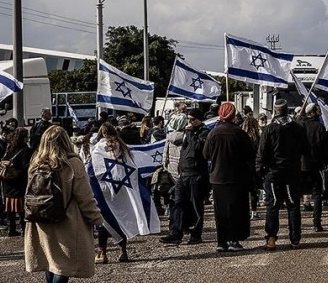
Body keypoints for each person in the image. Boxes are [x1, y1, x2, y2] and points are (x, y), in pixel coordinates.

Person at [25, 125, 105, 283]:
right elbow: (85, 197)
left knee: (50, 262)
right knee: (64, 265)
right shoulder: (72, 163)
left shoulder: (36, 163)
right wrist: (97, 219)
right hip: (66, 221)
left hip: (40, 219)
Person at [92, 123, 157, 263]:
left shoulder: (97, 149)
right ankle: (123, 251)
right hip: (124, 189)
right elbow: (133, 170)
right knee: (121, 218)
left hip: (107, 191)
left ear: (101, 133)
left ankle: (102, 253)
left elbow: (93, 172)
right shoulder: (123, 148)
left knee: (105, 220)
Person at [256, 99, 309, 250]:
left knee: (272, 206)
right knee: (293, 206)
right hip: (292, 172)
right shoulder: (297, 128)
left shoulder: (270, 129)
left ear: (275, 111)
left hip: (274, 173)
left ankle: (271, 238)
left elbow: (262, 152)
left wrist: (260, 170)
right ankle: (295, 239)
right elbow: (305, 149)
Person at [203, 102, 255, 252]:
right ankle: (234, 240)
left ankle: (221, 242)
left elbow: (205, 154)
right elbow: (250, 153)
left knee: (220, 212)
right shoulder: (239, 133)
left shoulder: (213, 133)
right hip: (236, 177)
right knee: (236, 210)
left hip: (218, 177)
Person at [159, 108, 210, 245]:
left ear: (199, 120)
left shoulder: (204, 133)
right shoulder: (187, 133)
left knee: (195, 205)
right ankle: (175, 232)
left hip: (196, 173)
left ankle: (195, 234)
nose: (189, 122)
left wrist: (191, 132)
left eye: (193, 119)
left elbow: (197, 148)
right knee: (177, 201)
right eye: (188, 119)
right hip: (184, 173)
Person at [301, 103, 328, 232]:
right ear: (312, 113)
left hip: (302, 165)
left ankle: (296, 224)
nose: (319, 113)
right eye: (317, 111)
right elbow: (323, 147)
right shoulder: (319, 127)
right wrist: (325, 161)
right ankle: (316, 222)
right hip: (313, 164)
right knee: (317, 194)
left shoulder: (300, 126)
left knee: (299, 194)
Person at [1, 127, 33, 237]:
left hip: (7, 182)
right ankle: (24, 230)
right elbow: (26, 167)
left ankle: (11, 228)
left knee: (10, 208)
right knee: (21, 208)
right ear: (24, 138)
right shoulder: (26, 150)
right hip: (19, 182)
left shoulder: (9, 148)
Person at [241, 109, 262, 220]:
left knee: (244, 190)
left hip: (243, 166)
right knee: (254, 190)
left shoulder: (241, 137)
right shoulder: (257, 138)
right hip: (253, 165)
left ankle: (245, 211)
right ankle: (254, 211)